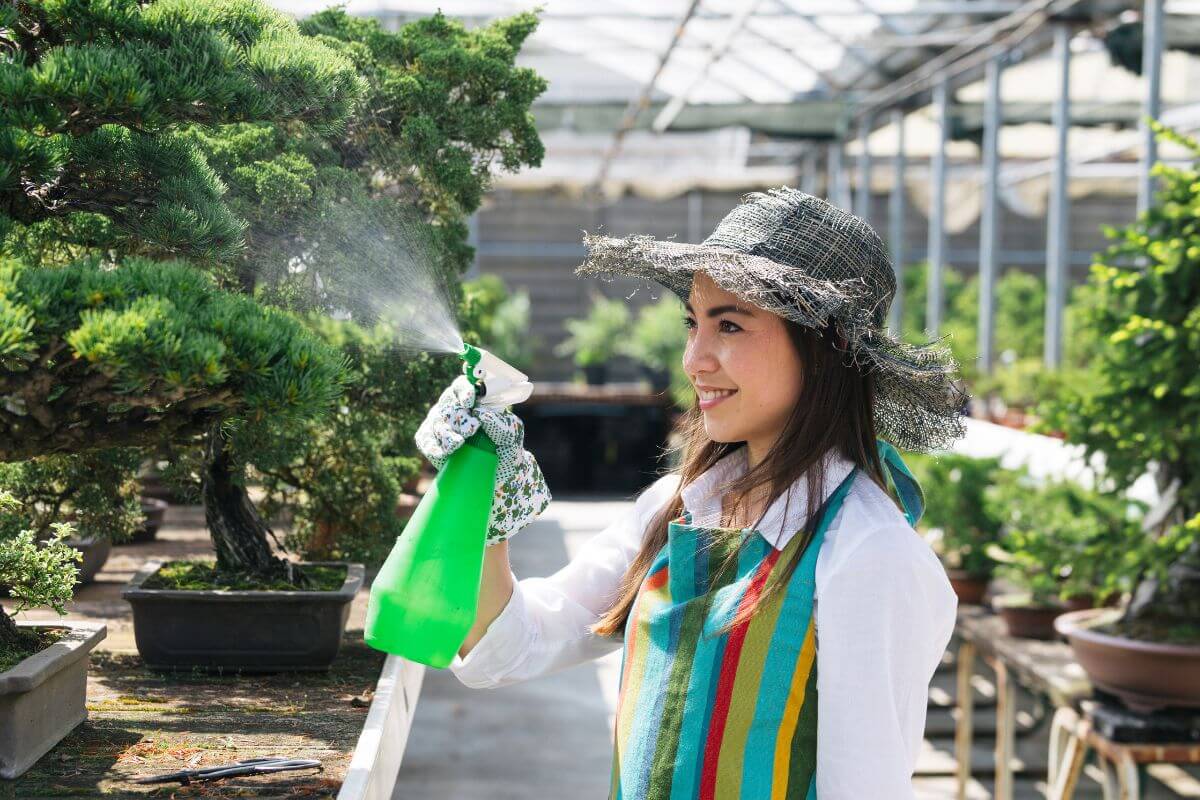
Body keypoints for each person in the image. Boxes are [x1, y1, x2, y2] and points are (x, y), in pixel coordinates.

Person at [415, 187, 969, 799]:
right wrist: (487, 507)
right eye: (693, 324)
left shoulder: (868, 555)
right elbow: (511, 646)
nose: (693, 359)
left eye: (729, 325)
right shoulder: (676, 506)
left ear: (826, 348)